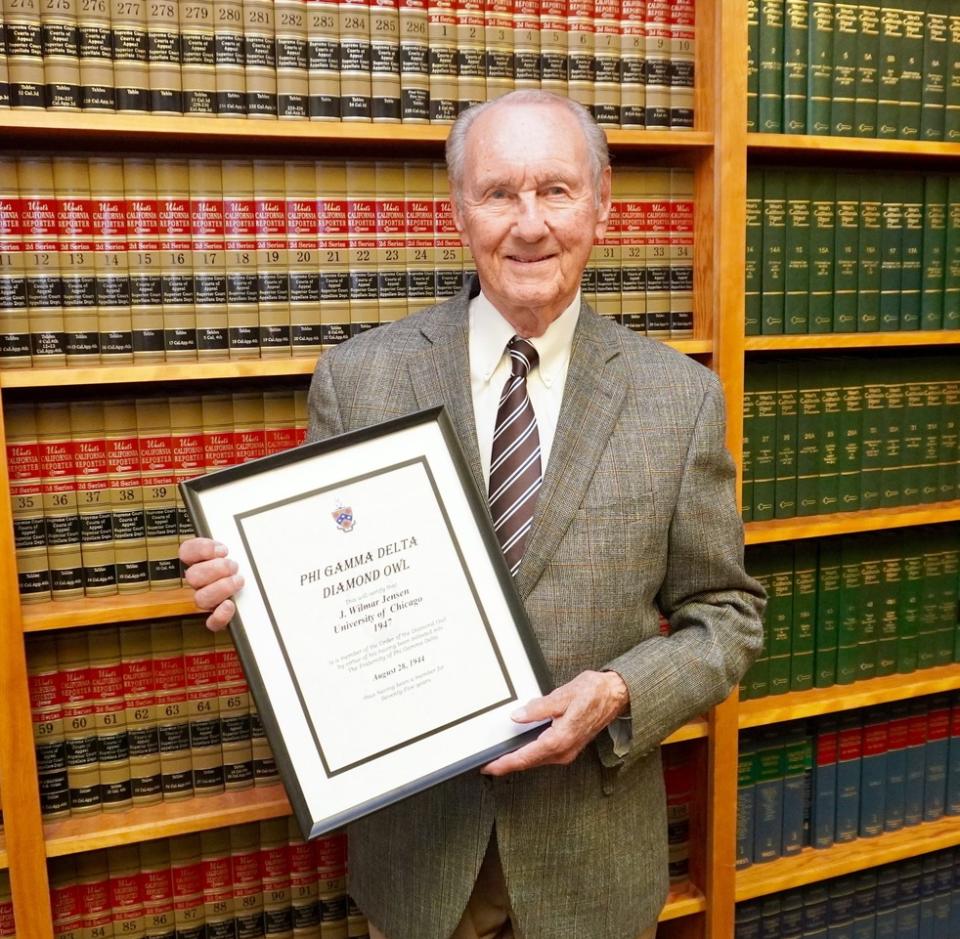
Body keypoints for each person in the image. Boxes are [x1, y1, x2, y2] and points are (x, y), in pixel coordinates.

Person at [180, 90, 765, 939]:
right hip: (422, 862)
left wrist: (619, 691)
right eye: (498, 194)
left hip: (591, 865)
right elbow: (321, 598)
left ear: (603, 206)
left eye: (556, 190)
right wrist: (254, 591)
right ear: (460, 213)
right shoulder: (362, 377)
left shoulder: (678, 397)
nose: (528, 223)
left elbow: (729, 618)